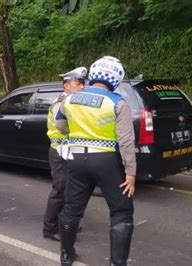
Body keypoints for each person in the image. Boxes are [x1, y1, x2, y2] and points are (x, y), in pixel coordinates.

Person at [55, 56, 136, 266]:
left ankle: (66, 256)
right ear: (116, 79)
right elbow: (126, 142)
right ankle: (117, 263)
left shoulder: (70, 99)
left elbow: (61, 126)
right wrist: (131, 173)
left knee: (72, 208)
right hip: (106, 160)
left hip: (76, 160)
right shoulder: (117, 103)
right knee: (121, 210)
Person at [43, 67, 87, 241]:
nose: (82, 87)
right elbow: (63, 126)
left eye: (83, 83)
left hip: (70, 151)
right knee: (60, 190)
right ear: (66, 84)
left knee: (70, 190)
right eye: (78, 83)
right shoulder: (60, 103)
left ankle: (65, 224)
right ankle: (50, 228)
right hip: (59, 151)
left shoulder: (75, 102)